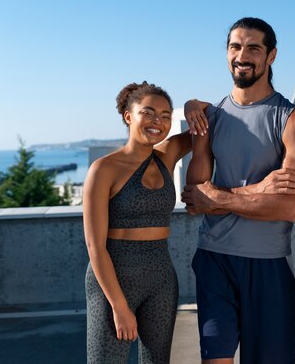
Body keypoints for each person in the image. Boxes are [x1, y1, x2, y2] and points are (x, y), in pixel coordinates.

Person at [181, 17, 295, 364]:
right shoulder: (210, 118)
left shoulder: (292, 119)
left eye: (254, 47)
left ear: (271, 56)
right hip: (214, 259)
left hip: (267, 264)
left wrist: (221, 197)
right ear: (227, 54)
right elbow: (195, 200)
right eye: (235, 46)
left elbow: (290, 208)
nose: (243, 55)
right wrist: (260, 192)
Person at [84, 81, 206, 364]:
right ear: (129, 116)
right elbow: (95, 246)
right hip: (113, 278)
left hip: (161, 276)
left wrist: (189, 106)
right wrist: (119, 306)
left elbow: (209, 117)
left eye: (165, 116)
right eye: (148, 113)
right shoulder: (104, 168)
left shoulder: (167, 154)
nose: (158, 122)